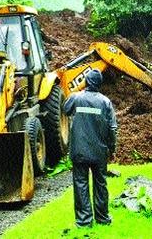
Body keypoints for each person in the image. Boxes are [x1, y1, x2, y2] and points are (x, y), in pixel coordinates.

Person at [63, 68, 118, 228]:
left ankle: (84, 221)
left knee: (81, 184)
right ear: (100, 84)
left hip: (79, 151)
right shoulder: (105, 102)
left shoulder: (76, 98)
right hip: (99, 152)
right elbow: (112, 128)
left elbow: (65, 109)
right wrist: (112, 149)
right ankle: (102, 218)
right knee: (100, 184)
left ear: (86, 81)